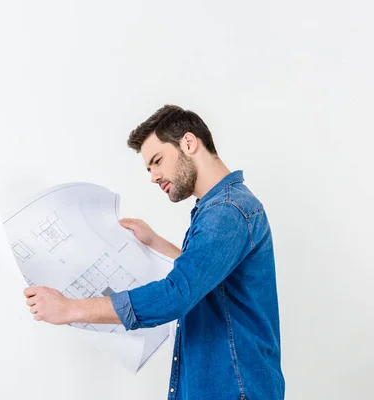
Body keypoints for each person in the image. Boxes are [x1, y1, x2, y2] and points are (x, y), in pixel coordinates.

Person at [24, 105, 284, 399]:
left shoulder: (226, 211)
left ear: (189, 143)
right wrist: (157, 243)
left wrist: (69, 308)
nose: (153, 176)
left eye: (157, 161)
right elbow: (212, 279)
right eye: (149, 168)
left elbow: (175, 295)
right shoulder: (221, 208)